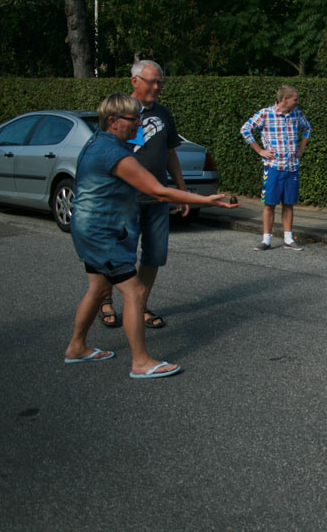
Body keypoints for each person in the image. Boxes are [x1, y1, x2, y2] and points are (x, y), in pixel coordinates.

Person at [64, 94, 238, 378]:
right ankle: (141, 362)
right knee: (134, 293)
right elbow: (158, 191)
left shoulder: (98, 141)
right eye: (133, 120)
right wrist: (207, 201)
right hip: (103, 234)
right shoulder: (113, 154)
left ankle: (76, 347)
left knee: (97, 290)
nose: (139, 125)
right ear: (113, 121)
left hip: (89, 229)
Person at [97, 60, 189, 331]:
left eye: (160, 81)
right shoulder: (118, 112)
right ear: (135, 81)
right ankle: (105, 301)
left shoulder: (163, 114)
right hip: (124, 198)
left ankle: (140, 305)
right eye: (152, 81)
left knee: (154, 254)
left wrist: (181, 190)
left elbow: (170, 152)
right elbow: (103, 151)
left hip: (157, 197)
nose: (158, 87)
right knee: (117, 256)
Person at [240, 85, 311, 251]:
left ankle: (288, 238)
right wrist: (260, 151)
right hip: (273, 167)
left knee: (289, 203)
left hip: (292, 167)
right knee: (269, 204)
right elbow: (245, 129)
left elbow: (307, 128)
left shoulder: (297, 114)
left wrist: (301, 149)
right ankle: (266, 239)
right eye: (295, 99)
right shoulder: (266, 113)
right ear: (285, 99)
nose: (297, 102)